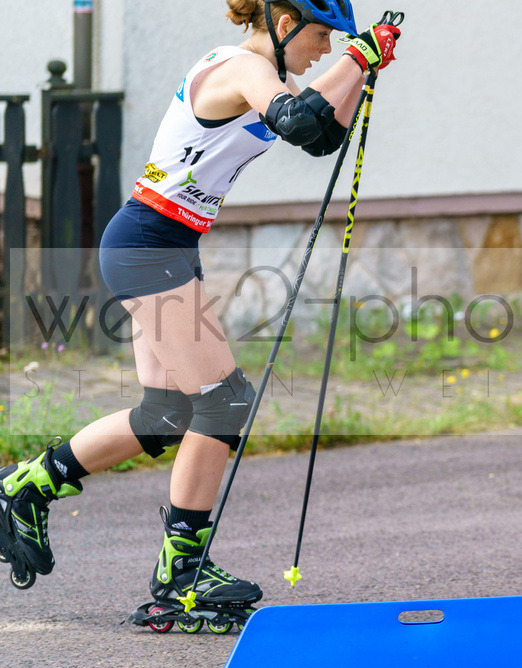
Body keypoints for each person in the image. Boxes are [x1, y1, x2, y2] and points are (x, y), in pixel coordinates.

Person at [0, 0, 401, 633]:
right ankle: (178, 582)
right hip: (147, 245)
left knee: (166, 415)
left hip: (161, 244)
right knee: (224, 403)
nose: (325, 47)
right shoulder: (240, 69)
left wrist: (362, 65)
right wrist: (356, 58)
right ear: (282, 20)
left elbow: (323, 136)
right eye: (321, 33)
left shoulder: (270, 77)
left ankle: (27, 487)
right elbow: (298, 121)